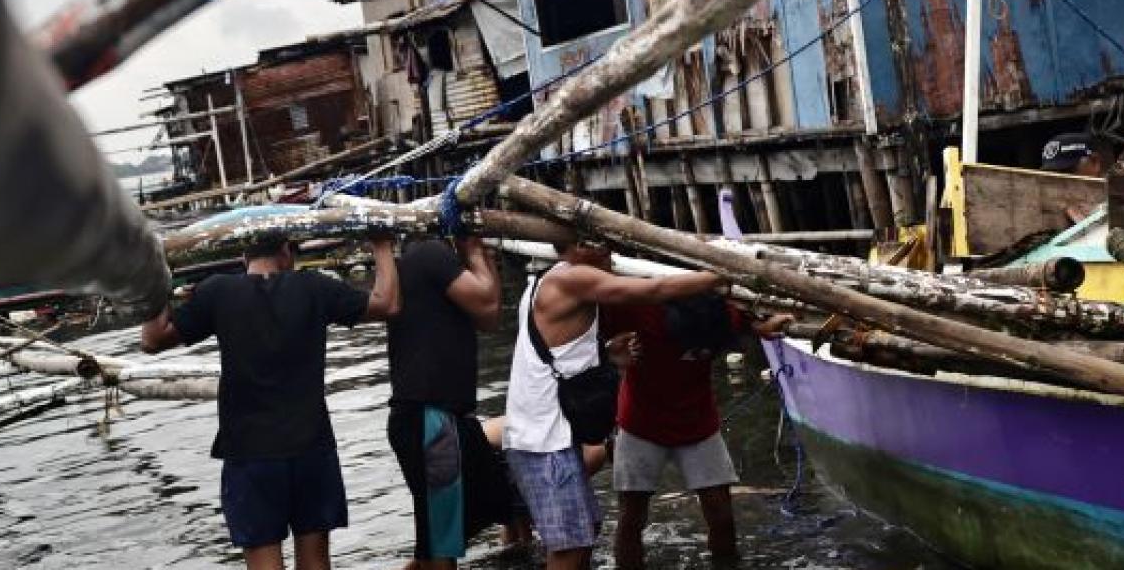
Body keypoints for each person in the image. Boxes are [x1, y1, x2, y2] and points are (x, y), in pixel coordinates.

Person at [140, 232, 400, 570]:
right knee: (316, 559)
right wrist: (381, 245)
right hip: (311, 447)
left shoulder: (218, 292)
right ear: (285, 253)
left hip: (251, 454)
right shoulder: (314, 287)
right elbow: (388, 303)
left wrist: (156, 277)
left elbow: (152, 339)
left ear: (245, 258)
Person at [503, 238, 724, 569]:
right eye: (591, 242)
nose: (605, 248)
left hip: (551, 436)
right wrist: (718, 275)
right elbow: (654, 291)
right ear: (569, 247)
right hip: (544, 440)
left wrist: (606, 354)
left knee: (585, 532)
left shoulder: (544, 281)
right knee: (570, 549)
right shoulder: (572, 279)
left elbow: (562, 357)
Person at [602, 292, 793, 566]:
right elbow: (587, 331)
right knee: (632, 516)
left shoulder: (723, 313)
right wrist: (610, 351)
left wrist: (767, 326)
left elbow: (754, 325)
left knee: (722, 515)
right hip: (641, 423)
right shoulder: (643, 312)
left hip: (698, 422)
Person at [384, 233, 504, 570]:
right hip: (430, 417)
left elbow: (489, 318)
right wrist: (476, 251)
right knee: (442, 540)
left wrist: (481, 259)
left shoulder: (421, 266)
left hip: (436, 415)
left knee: (443, 531)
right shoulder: (429, 252)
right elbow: (489, 303)